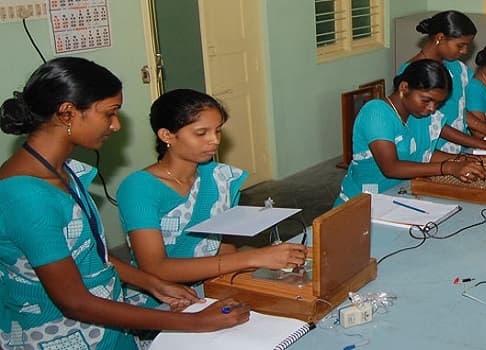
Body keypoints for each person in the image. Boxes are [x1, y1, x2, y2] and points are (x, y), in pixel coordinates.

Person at [0, 57, 248, 349]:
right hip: (61, 336)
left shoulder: (61, 171)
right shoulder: (25, 196)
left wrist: (152, 283)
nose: (116, 125)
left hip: (109, 328)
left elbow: (87, 254)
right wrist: (196, 322)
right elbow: (75, 303)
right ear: (68, 113)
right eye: (109, 114)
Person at [117, 89, 307, 309]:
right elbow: (155, 268)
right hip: (158, 298)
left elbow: (225, 246)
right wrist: (253, 258)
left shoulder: (219, 178)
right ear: (167, 135)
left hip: (210, 283)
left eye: (218, 131)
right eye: (201, 133)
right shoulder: (139, 188)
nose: (214, 140)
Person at [335, 59, 486, 205]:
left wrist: (468, 160)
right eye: (426, 100)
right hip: (364, 200)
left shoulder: (418, 114)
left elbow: (424, 153)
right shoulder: (377, 113)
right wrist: (449, 167)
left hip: (398, 195)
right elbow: (391, 167)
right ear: (404, 87)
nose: (431, 108)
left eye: (437, 104)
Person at [402, 10, 486, 155]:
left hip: (461, 147)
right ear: (440, 38)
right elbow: (435, 124)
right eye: (460, 45)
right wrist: (484, 144)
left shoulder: (457, 68)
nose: (464, 51)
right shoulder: (412, 72)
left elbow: (461, 113)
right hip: (433, 153)